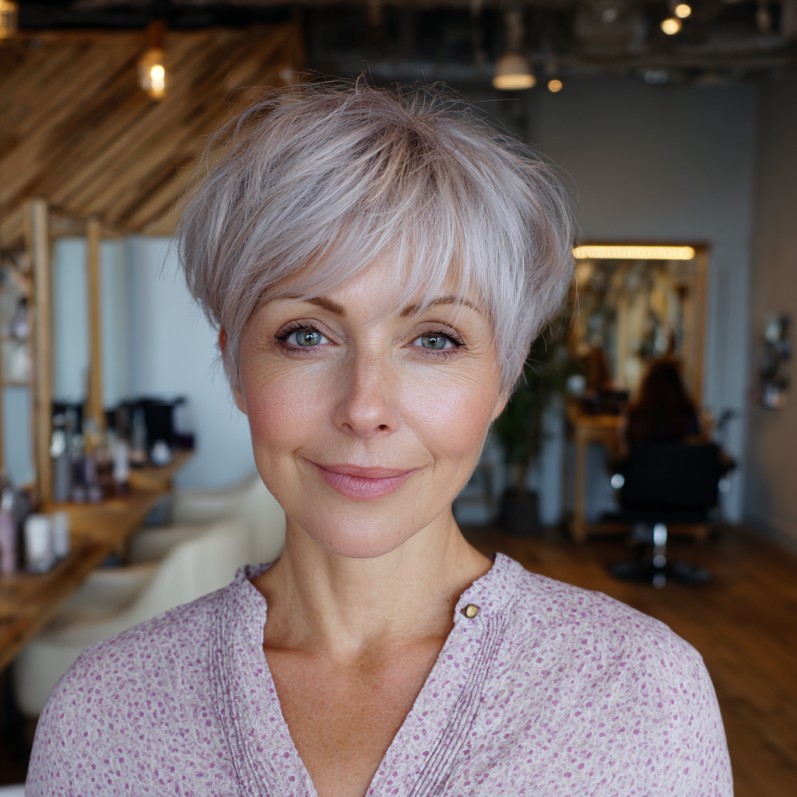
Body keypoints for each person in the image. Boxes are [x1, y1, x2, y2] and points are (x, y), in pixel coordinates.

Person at [26, 81, 732, 796]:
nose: (364, 408)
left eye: (434, 338)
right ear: (236, 364)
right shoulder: (103, 713)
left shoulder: (642, 696)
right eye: (305, 334)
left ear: (504, 379)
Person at [625, 356, 703, 446]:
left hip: (646, 459)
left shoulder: (636, 415)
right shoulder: (688, 414)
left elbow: (628, 447)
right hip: (678, 459)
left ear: (648, 384)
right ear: (678, 385)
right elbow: (695, 445)